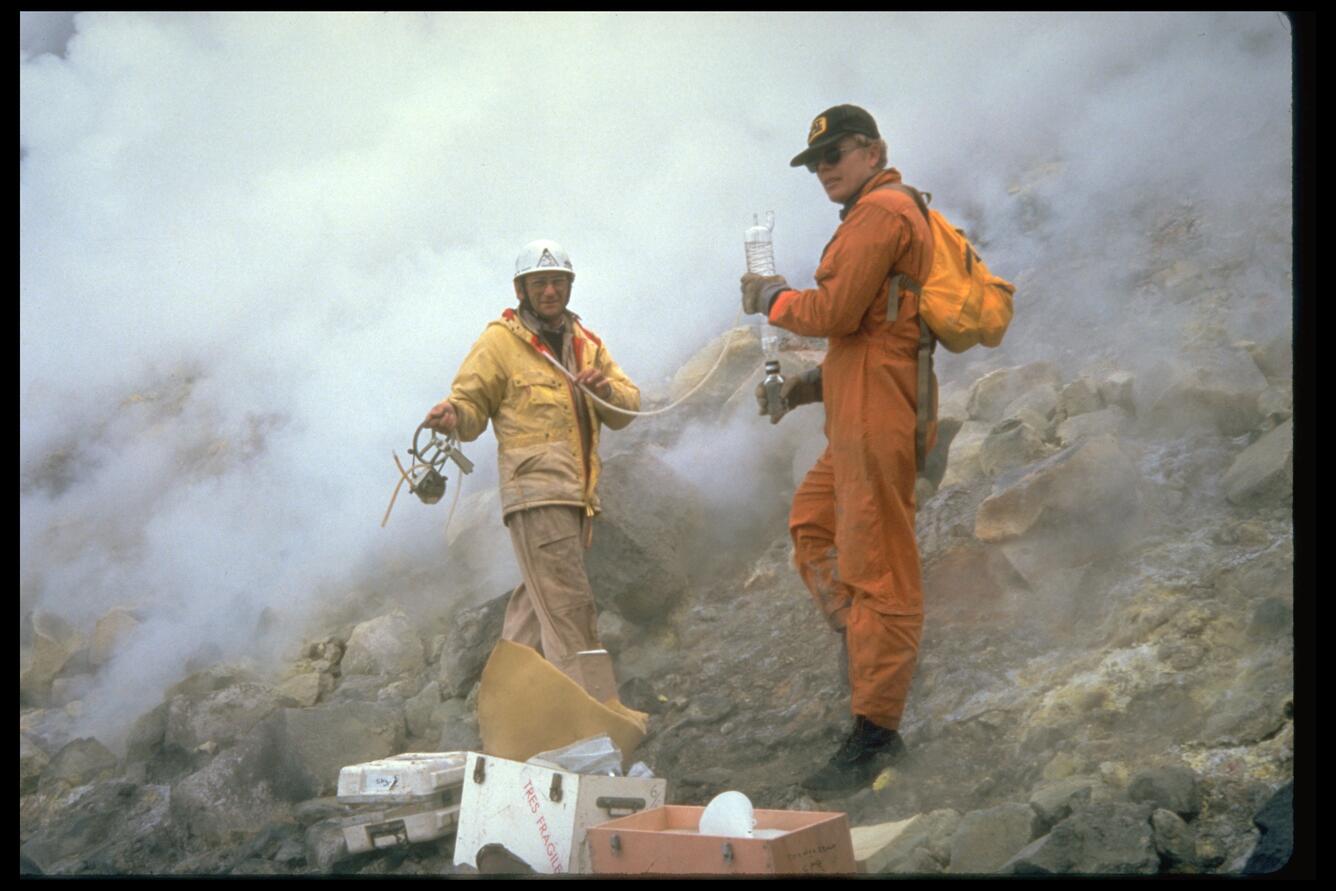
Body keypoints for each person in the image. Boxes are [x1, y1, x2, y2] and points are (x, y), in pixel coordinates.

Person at [740, 104, 936, 797]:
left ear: (874, 150)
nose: (825, 170)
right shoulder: (865, 218)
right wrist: (804, 389)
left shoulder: (882, 214)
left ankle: (876, 733)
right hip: (857, 413)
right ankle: (862, 643)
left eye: (838, 155)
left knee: (881, 572)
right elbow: (866, 335)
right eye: (817, 162)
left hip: (878, 421)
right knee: (813, 524)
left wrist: (772, 297)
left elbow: (834, 313)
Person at [424, 239, 640, 699]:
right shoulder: (499, 342)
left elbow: (627, 409)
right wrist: (452, 417)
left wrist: (606, 390)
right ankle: (596, 727)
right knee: (570, 609)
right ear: (520, 289)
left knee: (536, 604)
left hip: (576, 497)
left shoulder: (588, 345)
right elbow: (470, 406)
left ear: (570, 285)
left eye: (558, 281)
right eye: (539, 282)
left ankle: (504, 712)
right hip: (537, 493)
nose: (550, 291)